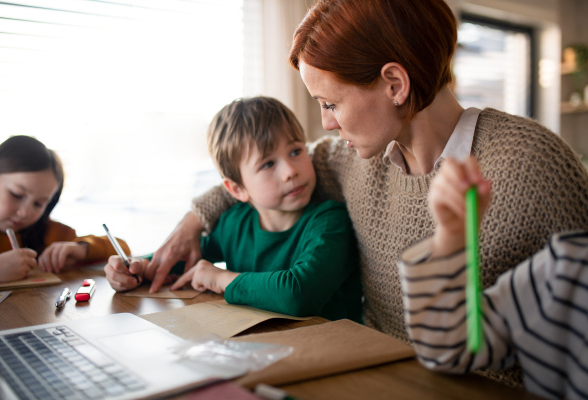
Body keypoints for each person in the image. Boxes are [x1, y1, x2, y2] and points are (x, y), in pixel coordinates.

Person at [139, 0, 588, 387]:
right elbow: (257, 178)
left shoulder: (534, 165)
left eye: (330, 103)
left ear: (395, 84)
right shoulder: (353, 159)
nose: (328, 123)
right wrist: (192, 223)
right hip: (372, 378)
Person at [104, 96, 362, 322]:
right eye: (268, 164)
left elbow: (299, 294)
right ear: (237, 189)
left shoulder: (329, 221)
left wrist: (220, 278)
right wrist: (134, 267)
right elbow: (181, 260)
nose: (290, 171)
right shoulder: (234, 224)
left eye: (296, 151)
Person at [398, 156, 588, 400]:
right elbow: (449, 346)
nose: (330, 124)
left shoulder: (535, 163)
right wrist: (452, 236)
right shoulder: (566, 269)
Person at [0, 135, 131, 282]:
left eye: (38, 204)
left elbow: (123, 249)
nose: (25, 213)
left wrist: (82, 249)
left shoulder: (52, 234)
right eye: (16, 195)